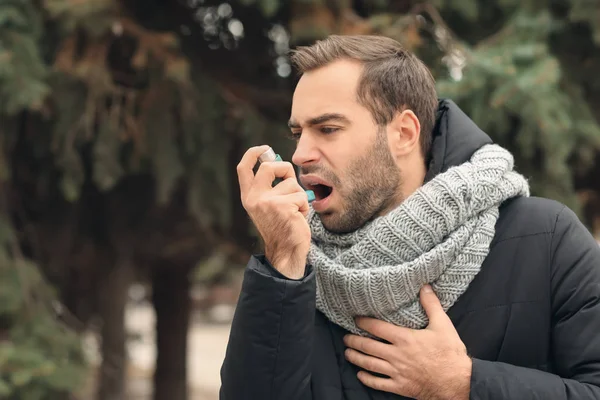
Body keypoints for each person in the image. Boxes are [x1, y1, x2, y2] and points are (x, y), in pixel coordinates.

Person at [219, 35, 600, 400]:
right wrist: (282, 266)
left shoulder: (547, 238)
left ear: (403, 133)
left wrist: (468, 385)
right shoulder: (297, 260)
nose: (300, 154)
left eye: (328, 129)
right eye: (298, 133)